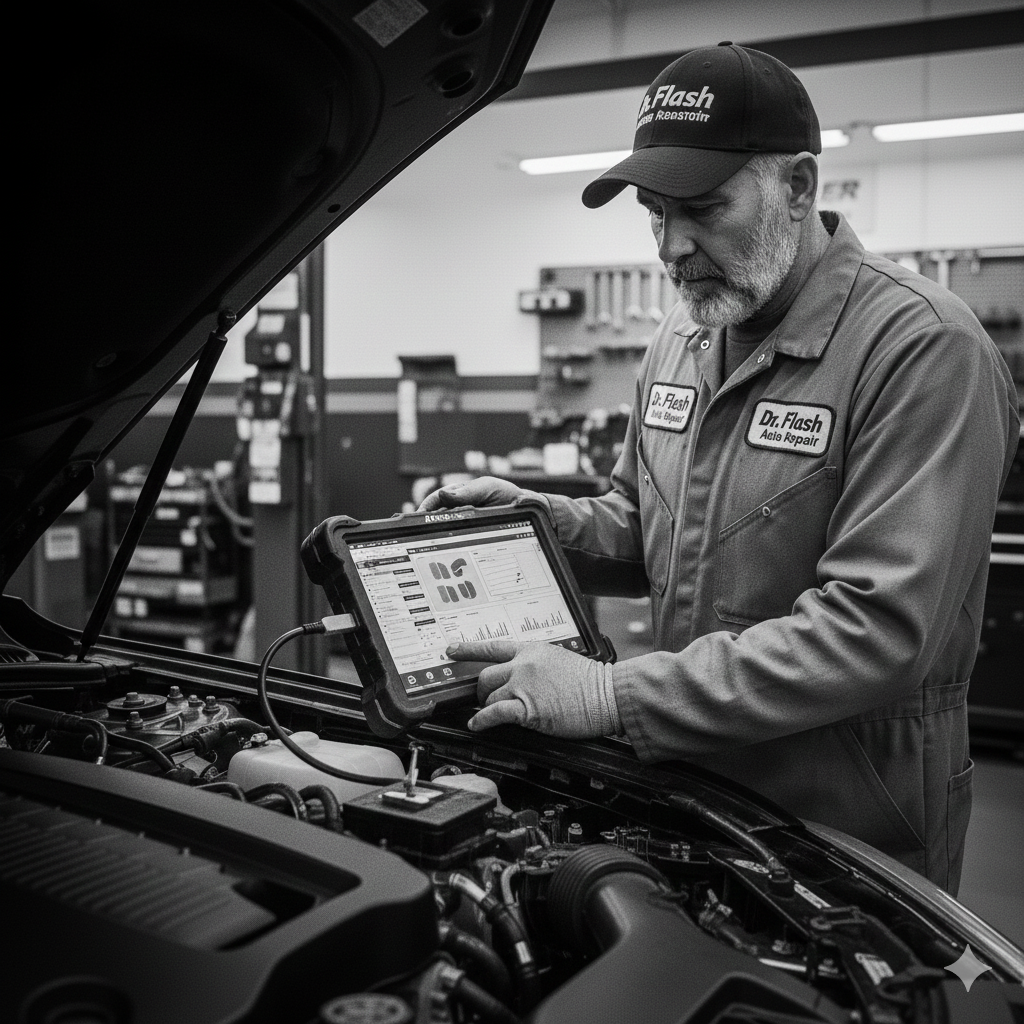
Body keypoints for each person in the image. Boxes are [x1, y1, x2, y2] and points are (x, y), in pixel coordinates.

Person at [420, 43, 1019, 893]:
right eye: (654, 213)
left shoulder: (922, 349)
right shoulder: (683, 335)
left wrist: (610, 697)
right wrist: (544, 520)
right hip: (690, 790)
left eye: (703, 207)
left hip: (847, 821)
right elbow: (647, 524)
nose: (672, 246)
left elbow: (878, 629)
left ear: (800, 187)